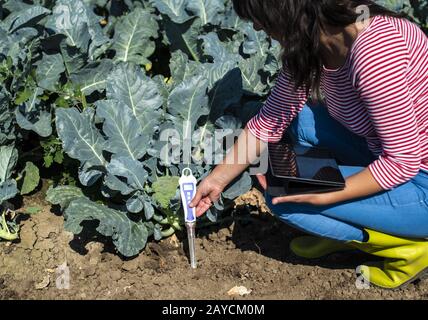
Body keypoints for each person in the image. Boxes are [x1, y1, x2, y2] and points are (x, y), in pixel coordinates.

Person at [189, 0, 428, 290]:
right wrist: (217, 179)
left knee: (286, 201)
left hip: (419, 181)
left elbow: (402, 161)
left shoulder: (376, 54)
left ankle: (408, 249)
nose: (256, 26)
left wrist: (328, 196)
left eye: (260, 16)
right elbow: (269, 122)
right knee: (301, 121)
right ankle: (354, 221)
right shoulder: (316, 41)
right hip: (388, 152)